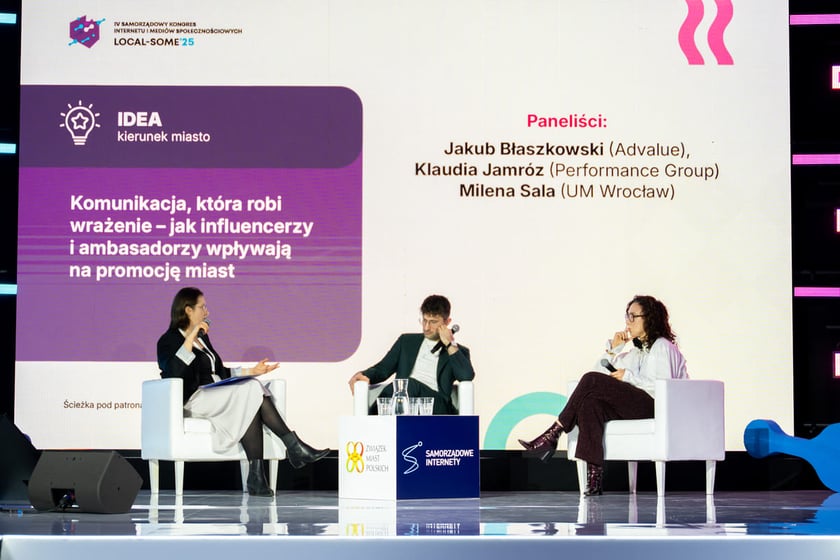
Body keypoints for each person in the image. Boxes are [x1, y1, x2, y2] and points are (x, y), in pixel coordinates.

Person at [157, 287, 329, 497]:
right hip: (193, 399)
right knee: (251, 390)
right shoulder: (168, 340)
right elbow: (174, 372)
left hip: (216, 394)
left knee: (251, 398)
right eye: (202, 307)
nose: (207, 312)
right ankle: (294, 447)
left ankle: (257, 478)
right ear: (188, 310)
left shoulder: (204, 339)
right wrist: (191, 336)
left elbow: (219, 372)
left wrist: (251, 371)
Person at [518, 295, 688, 496]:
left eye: (633, 316)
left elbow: (662, 388)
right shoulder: (634, 353)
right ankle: (594, 478)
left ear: (649, 318)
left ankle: (553, 434)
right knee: (590, 403)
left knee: (591, 380)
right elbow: (595, 376)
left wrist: (628, 377)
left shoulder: (662, 346)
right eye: (627, 316)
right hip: (637, 405)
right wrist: (614, 350)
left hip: (657, 406)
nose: (628, 322)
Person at [347, 295, 475, 414]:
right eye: (424, 320)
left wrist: (449, 344)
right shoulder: (406, 342)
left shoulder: (458, 351)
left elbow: (466, 376)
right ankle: (370, 422)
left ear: (447, 322)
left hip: (436, 405)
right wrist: (364, 375)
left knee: (407, 385)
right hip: (404, 399)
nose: (426, 327)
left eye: (433, 322)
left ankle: (373, 419)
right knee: (401, 388)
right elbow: (383, 369)